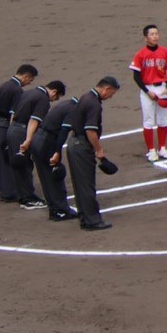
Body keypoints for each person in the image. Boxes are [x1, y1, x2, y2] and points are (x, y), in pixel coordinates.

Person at [66, 77, 120, 231]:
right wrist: (99, 150)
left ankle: (85, 218)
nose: (111, 97)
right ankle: (92, 221)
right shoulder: (94, 104)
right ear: (106, 88)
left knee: (80, 185)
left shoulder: (85, 97)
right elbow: (90, 130)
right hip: (82, 146)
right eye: (112, 93)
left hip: (74, 144)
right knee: (87, 185)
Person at [7, 71, 59, 210]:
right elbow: (33, 121)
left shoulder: (28, 92)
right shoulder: (42, 99)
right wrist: (28, 140)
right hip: (22, 132)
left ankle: (23, 196)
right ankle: (27, 199)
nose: (53, 100)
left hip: (13, 129)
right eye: (56, 96)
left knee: (19, 165)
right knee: (24, 165)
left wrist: (12, 132)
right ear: (54, 91)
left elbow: (13, 114)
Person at [129, 24, 167, 162]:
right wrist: (146, 91)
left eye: (156, 33)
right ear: (145, 37)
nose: (155, 36)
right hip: (147, 89)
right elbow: (136, 76)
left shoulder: (165, 52)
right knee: (148, 121)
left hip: (162, 88)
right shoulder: (140, 55)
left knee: (163, 120)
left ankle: (162, 148)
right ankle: (151, 150)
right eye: (152, 34)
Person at [31, 83, 77, 221]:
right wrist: (57, 152)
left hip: (38, 139)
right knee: (54, 174)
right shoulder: (73, 109)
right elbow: (63, 132)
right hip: (47, 141)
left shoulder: (65, 104)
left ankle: (54, 210)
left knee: (45, 176)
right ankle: (61, 210)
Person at [0, 63, 35, 203]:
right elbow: (12, 114)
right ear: (26, 76)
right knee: (7, 158)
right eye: (30, 79)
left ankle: (4, 192)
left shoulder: (4, 85)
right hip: (4, 126)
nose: (30, 82)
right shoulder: (17, 90)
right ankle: (11, 192)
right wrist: (11, 131)